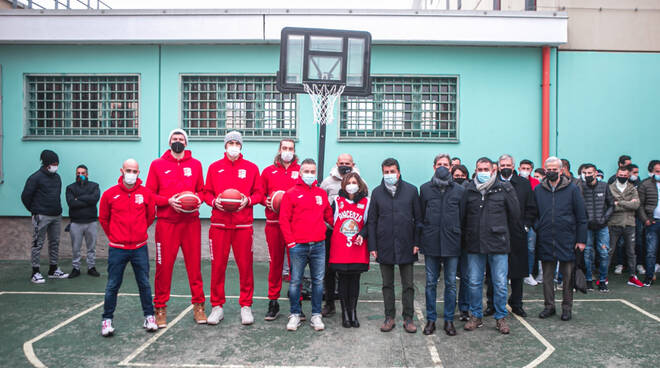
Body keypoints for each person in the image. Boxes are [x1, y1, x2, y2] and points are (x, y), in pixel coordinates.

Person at [146, 129, 207, 327]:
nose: (178, 141)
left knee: (194, 267)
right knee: (163, 268)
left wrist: (197, 200)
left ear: (186, 143)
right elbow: (150, 195)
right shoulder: (157, 165)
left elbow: (202, 191)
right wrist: (167, 201)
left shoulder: (196, 165)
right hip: (167, 224)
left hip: (190, 224)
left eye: (181, 139)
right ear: (169, 141)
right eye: (175, 139)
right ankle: (160, 308)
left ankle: (199, 306)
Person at [203, 131, 264, 325]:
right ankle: (217, 307)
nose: (233, 145)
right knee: (217, 267)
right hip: (219, 225)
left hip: (243, 225)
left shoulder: (252, 168)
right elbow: (206, 193)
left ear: (241, 146)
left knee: (245, 267)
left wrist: (249, 200)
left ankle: (246, 306)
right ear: (225, 145)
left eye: (237, 142)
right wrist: (213, 202)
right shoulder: (214, 168)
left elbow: (260, 193)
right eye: (230, 142)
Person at [99, 159, 157, 337]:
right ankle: (107, 320)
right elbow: (104, 219)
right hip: (117, 248)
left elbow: (150, 216)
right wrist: (116, 236)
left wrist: (139, 233)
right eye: (128, 170)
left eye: (135, 171)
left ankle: (149, 317)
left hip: (139, 247)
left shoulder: (146, 193)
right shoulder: (110, 194)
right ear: (122, 170)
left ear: (139, 173)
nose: (131, 174)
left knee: (144, 284)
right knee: (113, 285)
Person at [462, 157, 520, 334]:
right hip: (474, 243)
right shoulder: (469, 190)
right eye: (480, 169)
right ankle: (476, 316)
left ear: (493, 171)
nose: (483, 172)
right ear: (475, 170)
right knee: (473, 282)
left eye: (486, 169)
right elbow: (463, 216)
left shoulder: (504, 189)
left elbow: (515, 214)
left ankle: (500, 317)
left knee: (500, 283)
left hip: (498, 243)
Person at [279, 158, 333, 331]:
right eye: (306, 171)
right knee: (295, 282)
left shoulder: (321, 194)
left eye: (312, 171)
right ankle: (295, 314)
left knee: (318, 282)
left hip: (318, 246)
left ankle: (316, 315)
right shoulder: (291, 193)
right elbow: (284, 220)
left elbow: (328, 216)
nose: (310, 174)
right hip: (298, 247)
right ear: (300, 173)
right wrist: (291, 243)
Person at [368, 158, 421, 333]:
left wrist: (416, 242)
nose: (389, 175)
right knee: (387, 284)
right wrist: (373, 246)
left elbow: (418, 219)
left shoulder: (412, 191)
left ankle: (408, 318)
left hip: (406, 244)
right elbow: (372, 221)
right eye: (386, 172)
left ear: (398, 172)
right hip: (384, 244)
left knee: (408, 285)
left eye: (392, 171)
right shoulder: (376, 193)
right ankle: (389, 317)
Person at [535, 157, 587, 321]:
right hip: (545, 239)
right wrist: (539, 226)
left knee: (567, 277)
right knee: (547, 277)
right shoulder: (538, 190)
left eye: (554, 169)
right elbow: (534, 213)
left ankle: (567, 308)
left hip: (567, 239)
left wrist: (581, 240)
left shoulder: (572, 189)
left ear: (561, 170)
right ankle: (549, 306)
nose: (551, 172)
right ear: (545, 169)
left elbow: (581, 216)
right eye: (548, 169)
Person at [485, 155, 537, 318]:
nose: (505, 167)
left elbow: (531, 208)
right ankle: (492, 304)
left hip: (517, 234)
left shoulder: (523, 184)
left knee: (517, 272)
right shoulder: (491, 183)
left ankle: (517, 304)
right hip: (496, 233)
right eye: (503, 165)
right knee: (493, 271)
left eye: (508, 164)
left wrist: (526, 226)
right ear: (498, 166)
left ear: (514, 166)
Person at [419, 163, 465, 336]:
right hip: (431, 243)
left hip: (452, 243)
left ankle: (449, 320)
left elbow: (462, 216)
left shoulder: (459, 191)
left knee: (451, 283)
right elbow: (421, 215)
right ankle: (431, 319)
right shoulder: (425, 189)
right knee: (431, 282)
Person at [260, 139, 301, 321]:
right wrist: (266, 200)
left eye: (290, 148)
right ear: (279, 150)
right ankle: (273, 301)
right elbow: (259, 193)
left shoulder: (301, 171)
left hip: (295, 226)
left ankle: (297, 303)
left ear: (294, 151)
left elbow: (307, 193)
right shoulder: (268, 171)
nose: (287, 151)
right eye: (284, 148)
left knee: (296, 265)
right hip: (274, 224)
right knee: (275, 264)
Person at [320, 153, 364, 316]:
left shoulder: (361, 182)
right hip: (331, 234)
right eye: (342, 163)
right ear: (336, 163)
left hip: (353, 234)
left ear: (353, 164)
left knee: (350, 271)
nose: (344, 165)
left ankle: (349, 307)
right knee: (329, 269)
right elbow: (323, 206)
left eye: (348, 163)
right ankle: (329, 303)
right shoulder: (327, 182)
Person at [329, 172, 370, 329]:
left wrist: (362, 234)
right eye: (348, 182)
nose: (351, 185)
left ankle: (353, 312)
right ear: (343, 185)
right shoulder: (337, 201)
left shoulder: (366, 202)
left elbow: (369, 222)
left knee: (355, 281)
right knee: (343, 281)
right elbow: (329, 220)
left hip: (358, 247)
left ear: (359, 185)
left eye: (354, 182)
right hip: (340, 248)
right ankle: (345, 314)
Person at [21, 149, 69, 283]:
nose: (56, 166)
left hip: (56, 215)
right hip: (41, 216)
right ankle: (35, 272)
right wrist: (34, 211)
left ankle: (53, 269)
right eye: (54, 163)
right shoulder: (35, 178)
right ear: (47, 164)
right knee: (37, 243)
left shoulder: (57, 177)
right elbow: (26, 196)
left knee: (54, 242)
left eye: (57, 163)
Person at [578, 164, 614, 292]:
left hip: (602, 226)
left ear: (595, 173)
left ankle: (603, 280)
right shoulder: (580, 187)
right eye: (585, 173)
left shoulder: (604, 186)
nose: (587, 175)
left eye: (589, 173)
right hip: (587, 226)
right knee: (587, 254)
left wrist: (604, 219)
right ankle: (588, 280)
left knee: (604, 253)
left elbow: (611, 205)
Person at [608, 166, 644, 287]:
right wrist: (628, 203)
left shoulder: (632, 188)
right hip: (614, 224)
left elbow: (636, 205)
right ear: (616, 174)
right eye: (620, 175)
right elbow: (610, 206)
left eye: (625, 175)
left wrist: (619, 202)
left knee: (631, 251)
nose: (622, 177)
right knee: (609, 251)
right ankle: (604, 277)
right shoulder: (610, 188)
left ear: (628, 176)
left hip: (630, 224)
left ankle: (633, 276)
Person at [65, 164, 101, 278]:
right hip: (76, 223)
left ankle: (91, 267)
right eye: (78, 173)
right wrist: (86, 199)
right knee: (76, 248)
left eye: (83, 173)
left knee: (91, 247)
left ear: (87, 174)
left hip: (91, 222)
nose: (80, 175)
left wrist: (78, 198)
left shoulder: (94, 186)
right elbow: (71, 203)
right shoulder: (70, 188)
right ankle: (76, 268)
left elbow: (94, 199)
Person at [451, 163, 471, 322]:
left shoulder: (470, 191)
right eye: (456, 176)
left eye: (461, 176)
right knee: (450, 277)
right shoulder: (449, 190)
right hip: (451, 239)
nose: (458, 178)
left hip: (465, 240)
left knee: (465, 276)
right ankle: (451, 306)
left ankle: (464, 308)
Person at [637, 160, 660, 286]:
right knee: (651, 251)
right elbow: (640, 205)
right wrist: (645, 219)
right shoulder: (645, 184)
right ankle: (649, 277)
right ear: (652, 171)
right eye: (657, 171)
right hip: (652, 223)